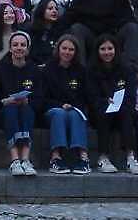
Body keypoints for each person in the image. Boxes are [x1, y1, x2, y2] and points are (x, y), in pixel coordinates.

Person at [86, 34, 138, 175]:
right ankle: (103, 157)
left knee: (127, 114)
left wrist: (120, 104)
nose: (107, 52)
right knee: (103, 113)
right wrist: (106, 102)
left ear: (116, 49)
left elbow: (131, 94)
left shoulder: (126, 69)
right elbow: (91, 96)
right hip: (101, 110)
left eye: (110, 48)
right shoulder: (91, 70)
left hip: (123, 110)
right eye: (103, 49)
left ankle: (130, 157)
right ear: (97, 51)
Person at [0, 31, 41, 177]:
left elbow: (40, 99)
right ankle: (15, 160)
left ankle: (25, 159)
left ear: (28, 49)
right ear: (10, 48)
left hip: (26, 111)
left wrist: (27, 100)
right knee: (12, 110)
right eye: (15, 45)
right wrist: (6, 101)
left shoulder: (34, 70)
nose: (19, 48)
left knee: (26, 110)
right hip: (3, 112)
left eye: (23, 45)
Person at [40, 34, 91, 175]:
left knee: (77, 114)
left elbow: (85, 96)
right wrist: (60, 105)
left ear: (76, 52)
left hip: (74, 109)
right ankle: (55, 158)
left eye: (71, 49)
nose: (67, 52)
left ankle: (83, 158)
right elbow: (42, 98)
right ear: (58, 49)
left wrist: (72, 105)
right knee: (59, 113)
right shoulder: (48, 69)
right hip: (52, 110)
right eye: (64, 48)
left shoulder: (81, 70)